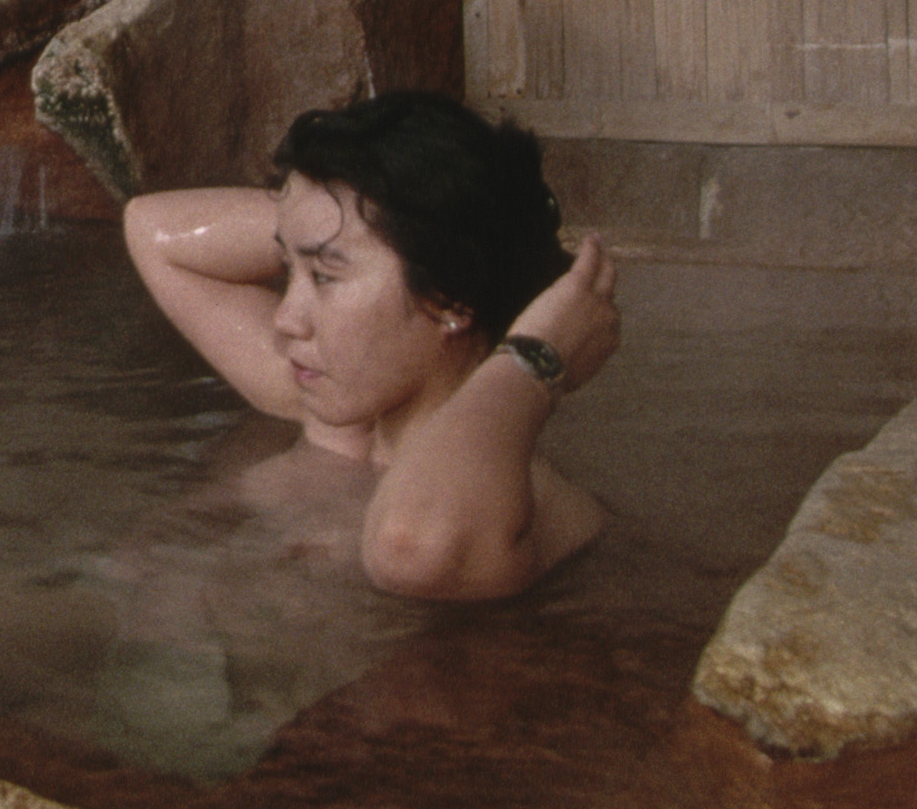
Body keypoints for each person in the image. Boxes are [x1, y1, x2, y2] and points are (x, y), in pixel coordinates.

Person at [120, 91, 618, 602]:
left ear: (450, 298)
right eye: (288, 271)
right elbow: (151, 229)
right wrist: (313, 219)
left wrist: (537, 358)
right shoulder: (336, 415)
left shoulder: (527, 499)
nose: (285, 320)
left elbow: (410, 551)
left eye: (326, 277)